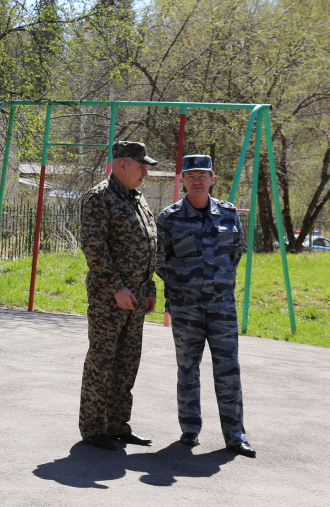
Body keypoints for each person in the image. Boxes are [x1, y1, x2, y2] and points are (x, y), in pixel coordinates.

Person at [156, 154, 256, 457]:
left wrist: (217, 283)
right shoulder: (169, 217)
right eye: (191, 175)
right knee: (188, 369)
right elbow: (161, 262)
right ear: (183, 181)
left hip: (222, 305)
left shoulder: (228, 213)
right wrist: (186, 287)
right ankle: (190, 430)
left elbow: (236, 252)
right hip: (186, 308)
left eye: (203, 175)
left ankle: (235, 435)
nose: (197, 180)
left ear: (212, 179)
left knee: (229, 369)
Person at [77, 141, 159, 450]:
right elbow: (94, 247)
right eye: (141, 167)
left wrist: (148, 288)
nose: (145, 173)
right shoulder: (100, 198)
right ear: (122, 166)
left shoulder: (137, 198)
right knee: (102, 361)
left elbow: (150, 243)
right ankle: (93, 427)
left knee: (127, 362)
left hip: (136, 297)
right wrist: (116, 288)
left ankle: (117, 424)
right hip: (109, 298)